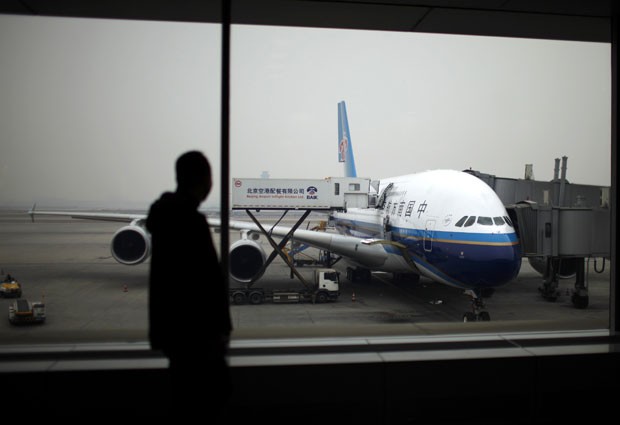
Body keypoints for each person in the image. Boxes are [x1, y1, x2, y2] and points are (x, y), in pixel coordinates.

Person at [146, 151, 232, 419]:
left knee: (181, 400)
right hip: (199, 338)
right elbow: (210, 283)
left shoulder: (163, 219)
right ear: (204, 181)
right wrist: (222, 329)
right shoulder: (191, 222)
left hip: (173, 335)